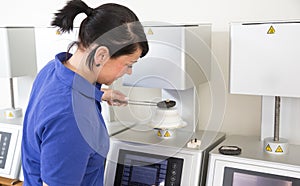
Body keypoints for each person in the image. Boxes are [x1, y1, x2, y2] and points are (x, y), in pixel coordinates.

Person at [21, 0, 148, 185]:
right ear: (101, 55)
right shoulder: (73, 118)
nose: (129, 72)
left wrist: (100, 94)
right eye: (129, 64)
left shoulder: (54, 69)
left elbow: (63, 94)